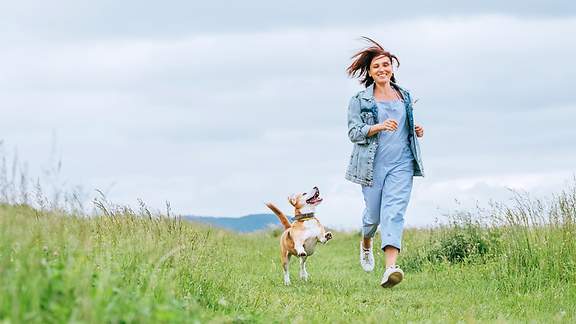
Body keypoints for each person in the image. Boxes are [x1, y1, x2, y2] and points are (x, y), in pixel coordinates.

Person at [345, 37, 424, 288]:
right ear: (369, 71)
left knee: (394, 213)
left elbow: (405, 126)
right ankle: (366, 242)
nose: (382, 69)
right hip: (372, 166)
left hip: (402, 164)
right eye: (377, 66)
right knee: (373, 217)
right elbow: (354, 133)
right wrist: (377, 127)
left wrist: (416, 129)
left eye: (386, 65)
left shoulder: (405, 96)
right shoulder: (360, 100)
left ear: (392, 67)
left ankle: (391, 268)